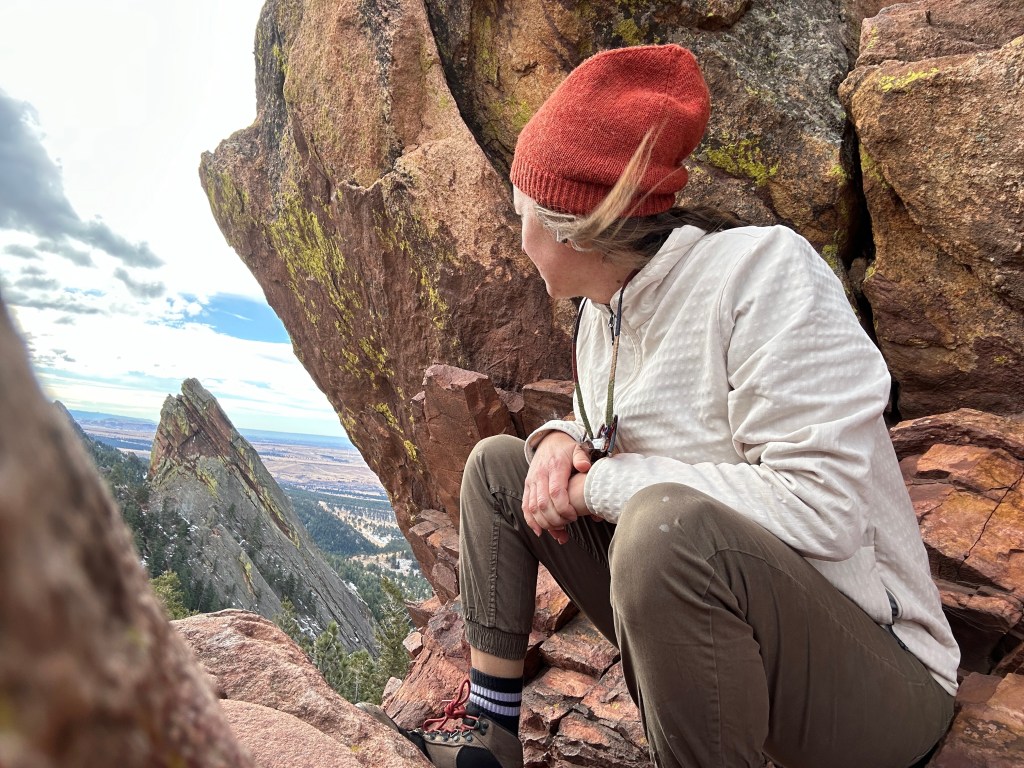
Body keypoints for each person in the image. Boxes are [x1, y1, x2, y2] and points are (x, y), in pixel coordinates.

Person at [363, 44, 960, 768]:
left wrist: (599, 485)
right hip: (734, 647)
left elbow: (821, 508)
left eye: (521, 206)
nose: (513, 227)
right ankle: (490, 740)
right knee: (500, 469)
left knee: (660, 533)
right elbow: (616, 432)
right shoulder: (602, 313)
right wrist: (560, 442)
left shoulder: (762, 274)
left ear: (569, 226)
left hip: (879, 680)